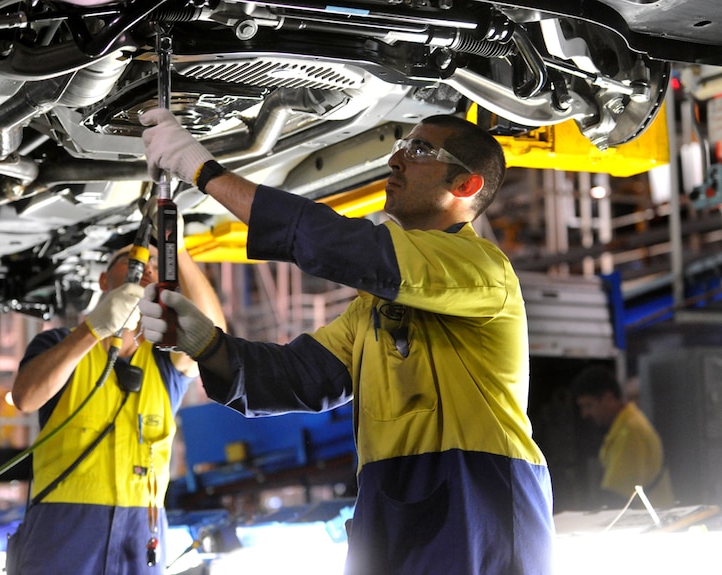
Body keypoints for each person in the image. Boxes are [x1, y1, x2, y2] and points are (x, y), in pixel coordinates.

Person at [136, 109, 555, 574]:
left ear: (466, 186)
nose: (396, 160)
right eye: (400, 146)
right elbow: (303, 378)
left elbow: (342, 246)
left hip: (477, 497)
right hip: (395, 500)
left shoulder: (482, 270)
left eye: (419, 150)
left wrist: (204, 171)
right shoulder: (375, 308)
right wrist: (203, 342)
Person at [9, 237, 226, 575]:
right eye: (133, 262)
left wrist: (178, 248)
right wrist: (92, 329)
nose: (147, 270)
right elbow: (26, 397)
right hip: (63, 526)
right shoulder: (61, 345)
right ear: (103, 281)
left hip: (141, 531)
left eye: (153, 266)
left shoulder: (164, 362)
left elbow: (213, 337)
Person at [571, 365, 675, 508]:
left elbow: (616, 497)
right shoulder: (624, 425)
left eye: (589, 405)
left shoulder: (630, 431)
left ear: (609, 398)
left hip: (645, 524)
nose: (585, 414)